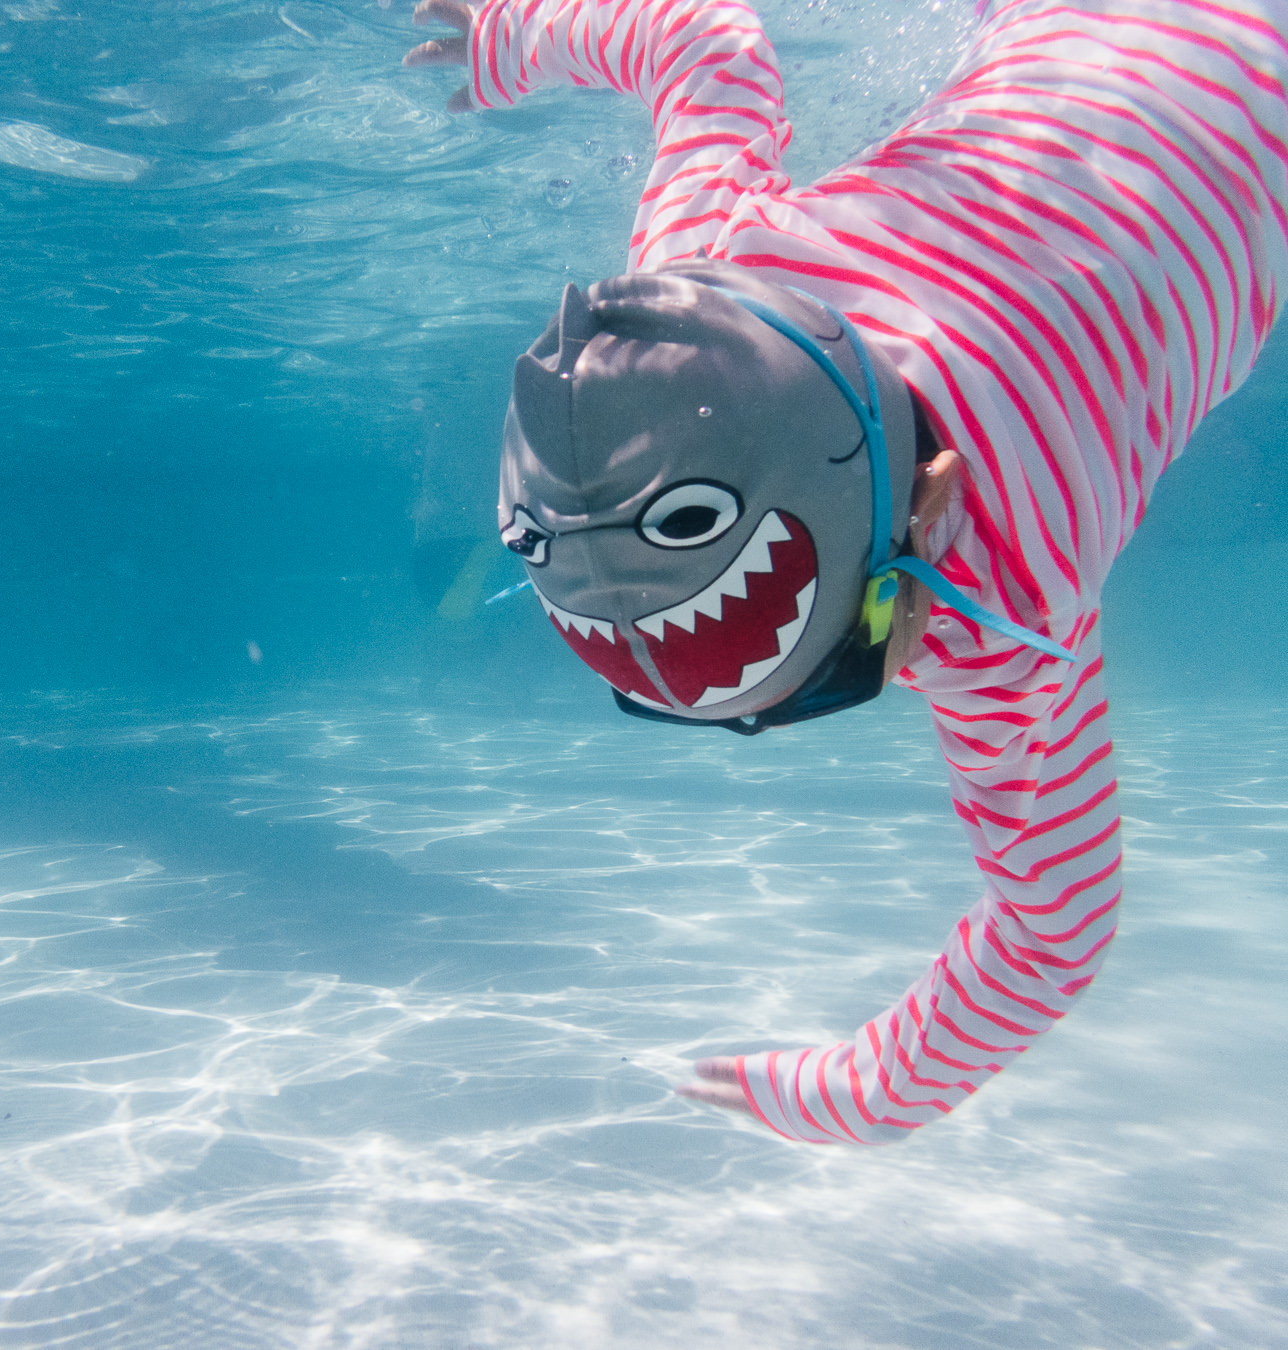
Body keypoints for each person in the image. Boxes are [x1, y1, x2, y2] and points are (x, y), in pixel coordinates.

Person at [402, 0, 1288, 1143]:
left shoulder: (1006, 606)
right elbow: (706, 40)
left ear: (936, 506)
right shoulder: (691, 296)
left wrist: (852, 1099)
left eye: (852, 667)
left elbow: (1056, 929)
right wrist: (511, 42)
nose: (884, 677)